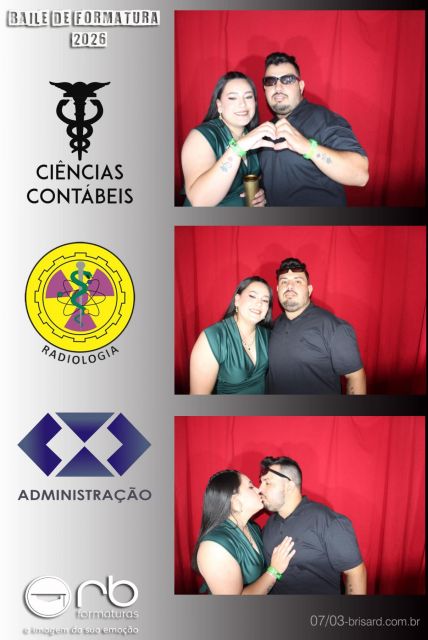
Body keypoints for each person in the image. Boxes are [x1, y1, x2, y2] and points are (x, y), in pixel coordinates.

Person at [259, 52, 369, 205]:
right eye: (270, 81)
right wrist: (262, 194)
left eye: (287, 79)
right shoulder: (264, 130)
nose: (278, 87)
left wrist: (308, 148)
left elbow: (360, 175)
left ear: (301, 86)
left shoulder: (324, 119)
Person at [259, 456, 367, 595]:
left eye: (267, 483)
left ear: (289, 486)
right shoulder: (269, 524)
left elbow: (355, 573)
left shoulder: (327, 521)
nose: (260, 489)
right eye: (260, 482)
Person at [267, 257, 366, 394]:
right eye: (284, 281)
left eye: (298, 281)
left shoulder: (334, 327)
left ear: (309, 290)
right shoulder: (271, 327)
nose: (289, 286)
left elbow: (355, 377)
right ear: (277, 289)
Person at [181, 71, 277, 206]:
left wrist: (260, 194)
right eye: (232, 98)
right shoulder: (201, 136)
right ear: (219, 105)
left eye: (248, 97)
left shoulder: (252, 136)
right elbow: (200, 201)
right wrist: (239, 148)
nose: (242, 104)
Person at [193, 470, 296, 595]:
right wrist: (274, 571)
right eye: (251, 487)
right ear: (235, 501)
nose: (259, 490)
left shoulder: (252, 528)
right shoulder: (213, 548)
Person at [190, 276, 272, 394]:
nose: (259, 303)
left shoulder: (268, 335)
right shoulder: (213, 338)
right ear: (237, 300)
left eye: (265, 300)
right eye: (252, 296)